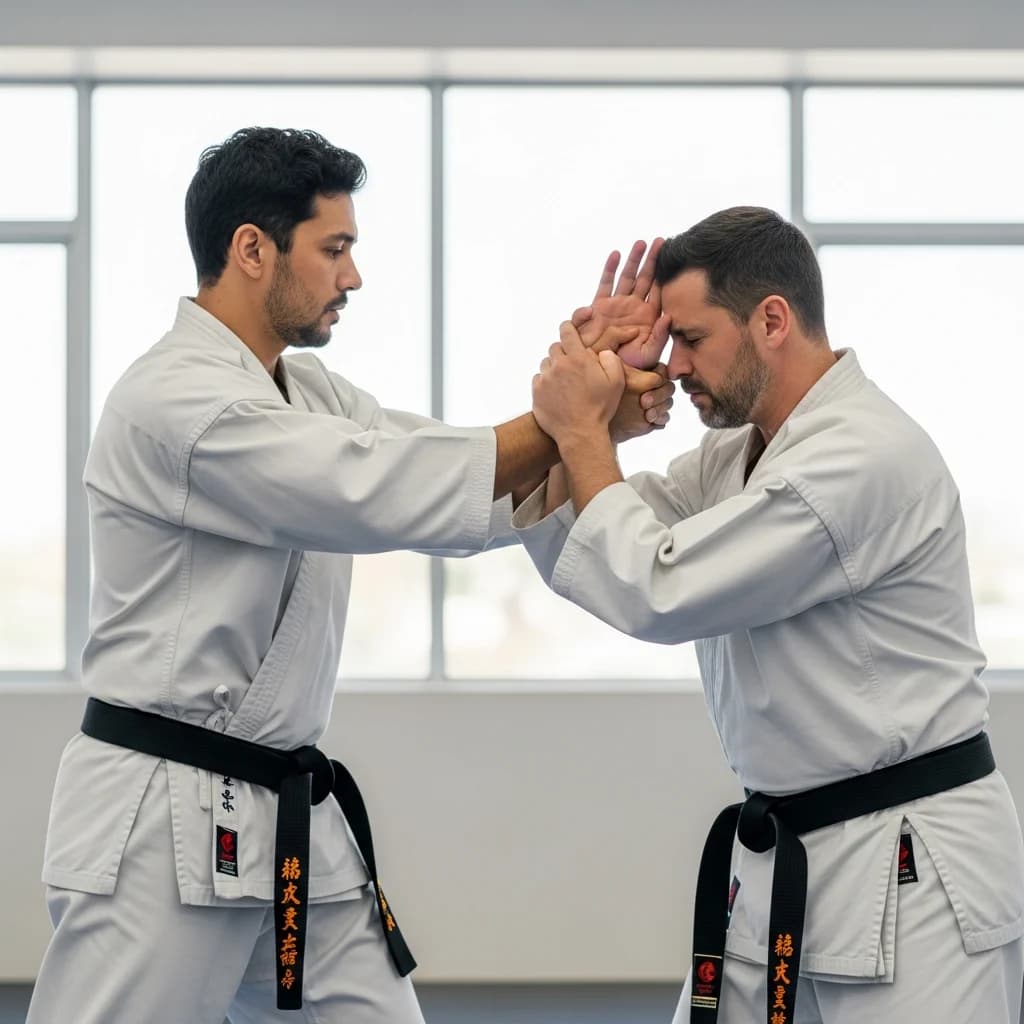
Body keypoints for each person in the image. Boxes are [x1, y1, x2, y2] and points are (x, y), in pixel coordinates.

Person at [25, 126, 674, 1024]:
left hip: (289, 815)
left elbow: (445, 481)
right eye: (334, 250)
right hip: (161, 815)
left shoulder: (311, 396)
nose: (353, 277)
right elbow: (370, 488)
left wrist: (593, 428)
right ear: (252, 248)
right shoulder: (173, 398)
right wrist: (569, 416)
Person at [515, 206, 1024, 1023]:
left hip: (911, 864)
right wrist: (578, 411)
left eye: (691, 337)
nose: (673, 364)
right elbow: (600, 531)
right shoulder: (736, 454)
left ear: (773, 320)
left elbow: (658, 585)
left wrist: (583, 431)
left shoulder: (861, 454)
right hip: (784, 853)